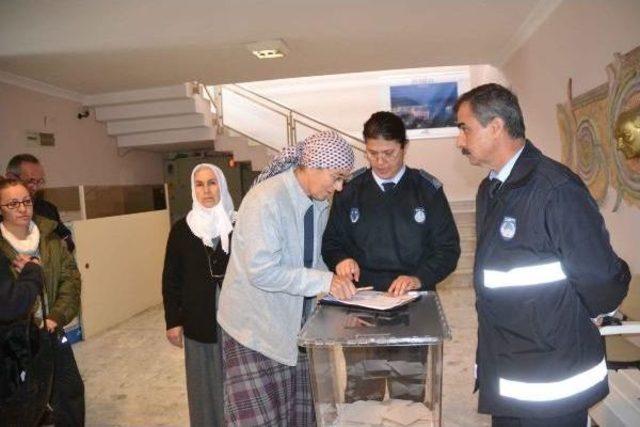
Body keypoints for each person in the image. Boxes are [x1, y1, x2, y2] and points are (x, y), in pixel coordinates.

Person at [454, 83, 630, 427]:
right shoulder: (490, 188)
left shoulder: (556, 188)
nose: (459, 141)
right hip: (508, 365)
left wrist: (602, 310)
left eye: (464, 128)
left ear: (495, 127)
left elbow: (600, 275)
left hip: (553, 378)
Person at [217, 130, 357, 426]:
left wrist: (336, 274)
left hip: (294, 330)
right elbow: (262, 271)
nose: (340, 187)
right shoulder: (266, 199)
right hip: (255, 333)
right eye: (336, 177)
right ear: (314, 166)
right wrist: (324, 282)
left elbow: (309, 258)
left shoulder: (317, 203)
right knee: (261, 419)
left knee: (301, 417)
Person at [322, 111, 460, 402]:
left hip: (411, 304)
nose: (380, 162)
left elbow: (448, 249)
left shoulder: (426, 190)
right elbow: (331, 243)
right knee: (362, 389)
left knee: (408, 390)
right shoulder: (349, 190)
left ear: (404, 147)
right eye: (372, 154)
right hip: (362, 307)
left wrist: (418, 277)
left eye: (389, 153)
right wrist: (341, 260)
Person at [0, 178, 84, 426]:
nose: (22, 209)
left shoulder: (50, 238)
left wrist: (54, 317)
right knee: (24, 400)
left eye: (26, 201)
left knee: (69, 391)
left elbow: (71, 281)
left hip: (51, 330)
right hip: (15, 343)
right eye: (13, 204)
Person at [162, 163, 234, 426]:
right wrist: (173, 321)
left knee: (235, 382)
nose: (206, 190)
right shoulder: (182, 230)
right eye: (200, 184)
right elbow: (171, 279)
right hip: (197, 319)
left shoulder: (237, 224)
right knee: (203, 385)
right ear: (193, 189)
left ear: (222, 186)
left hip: (235, 319)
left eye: (212, 182)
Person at [5, 154, 75, 252]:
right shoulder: (3, 212)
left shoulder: (47, 209)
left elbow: (67, 239)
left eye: (39, 182)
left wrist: (57, 247)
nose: (35, 188)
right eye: (30, 181)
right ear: (10, 177)